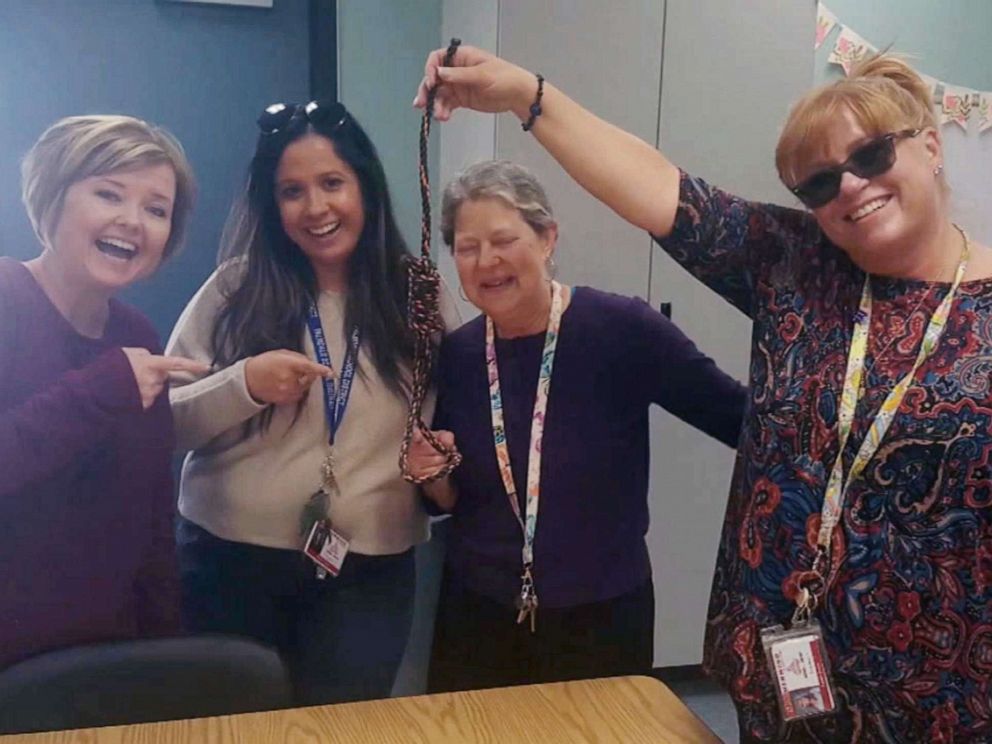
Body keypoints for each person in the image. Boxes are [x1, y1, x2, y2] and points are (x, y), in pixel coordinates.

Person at [414, 47, 992, 743]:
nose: (849, 188)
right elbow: (664, 191)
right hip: (778, 669)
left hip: (934, 694)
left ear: (931, 146)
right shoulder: (798, 265)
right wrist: (525, 95)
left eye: (870, 157)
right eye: (818, 182)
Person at [406, 159, 745, 693]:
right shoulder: (458, 354)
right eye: (468, 248)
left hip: (601, 614)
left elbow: (738, 418)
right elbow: (448, 499)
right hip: (478, 611)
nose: (487, 261)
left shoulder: (621, 329)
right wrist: (430, 473)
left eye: (504, 239)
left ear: (547, 238)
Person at [166, 100, 459, 705]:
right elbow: (165, 427)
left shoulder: (420, 296)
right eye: (292, 191)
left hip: (368, 570)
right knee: (232, 727)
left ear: (366, 187)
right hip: (229, 560)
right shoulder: (234, 288)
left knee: (342, 728)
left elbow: (452, 430)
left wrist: (443, 463)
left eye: (332, 183)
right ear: (272, 207)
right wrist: (243, 385)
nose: (317, 208)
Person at [0, 114, 203, 670]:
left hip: (106, 662)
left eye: (156, 209)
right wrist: (99, 392)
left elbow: (151, 518)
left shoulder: (137, 334)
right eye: (108, 194)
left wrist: (164, 653)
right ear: (53, 198)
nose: (131, 221)